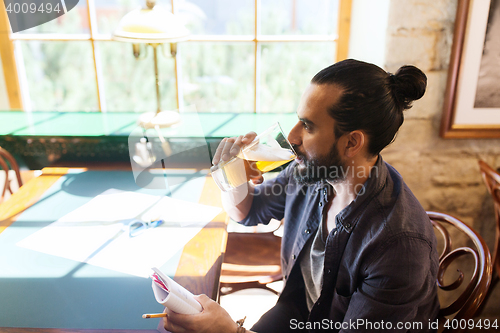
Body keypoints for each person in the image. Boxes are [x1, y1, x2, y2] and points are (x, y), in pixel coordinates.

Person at [163, 59, 440, 333]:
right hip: (296, 314)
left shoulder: (398, 247)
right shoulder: (315, 173)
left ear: (352, 142)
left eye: (307, 126)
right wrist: (232, 177)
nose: (292, 137)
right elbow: (248, 212)